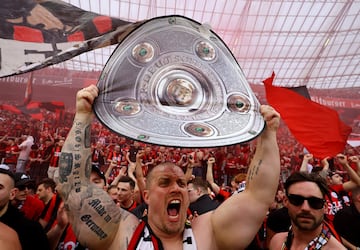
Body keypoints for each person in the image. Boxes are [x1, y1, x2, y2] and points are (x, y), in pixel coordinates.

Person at [58, 85, 281, 250]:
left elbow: (257, 196)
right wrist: (83, 116)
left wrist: (269, 134)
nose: (176, 188)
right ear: (145, 195)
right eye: (164, 183)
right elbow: (73, 187)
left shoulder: (209, 232)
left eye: (181, 183)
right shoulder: (121, 233)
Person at [269, 171, 345, 250]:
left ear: (325, 207)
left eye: (315, 202)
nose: (305, 208)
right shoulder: (277, 242)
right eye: (297, 200)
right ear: (286, 202)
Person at [0, 168, 50, 250]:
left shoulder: (30, 230)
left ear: (12, 193)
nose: (26, 191)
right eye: (21, 187)